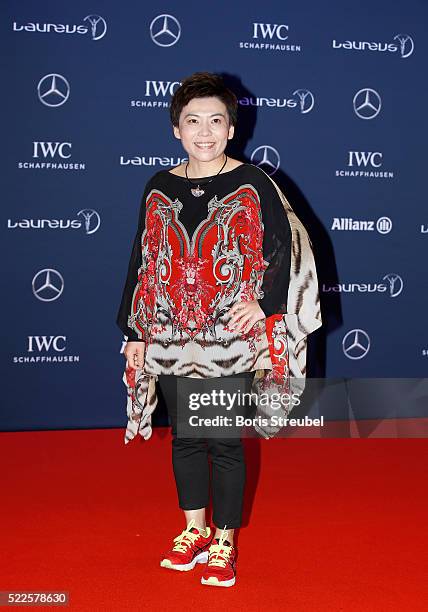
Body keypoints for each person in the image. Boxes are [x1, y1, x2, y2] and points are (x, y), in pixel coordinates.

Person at [116, 72, 321, 588]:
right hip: (168, 337)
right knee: (184, 439)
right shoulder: (158, 185)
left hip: (228, 343)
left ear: (231, 129)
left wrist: (266, 303)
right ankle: (192, 532)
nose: (204, 132)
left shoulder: (253, 182)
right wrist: (134, 331)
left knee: (224, 441)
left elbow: (286, 245)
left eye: (215, 121)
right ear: (175, 129)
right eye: (192, 121)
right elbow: (144, 260)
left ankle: (224, 543)